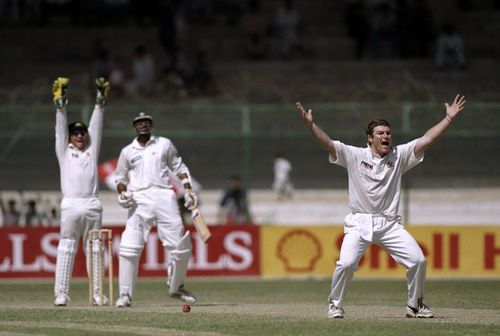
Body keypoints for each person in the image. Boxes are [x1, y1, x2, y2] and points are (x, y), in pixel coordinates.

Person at [296, 94, 466, 319]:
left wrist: (448, 120)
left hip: (389, 224)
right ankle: (335, 305)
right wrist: (311, 126)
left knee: (418, 261)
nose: (386, 136)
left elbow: (426, 139)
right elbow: (328, 144)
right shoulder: (355, 155)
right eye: (380, 133)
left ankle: (415, 305)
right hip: (359, 222)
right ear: (369, 139)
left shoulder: (399, 155)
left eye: (388, 133)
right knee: (345, 264)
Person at [114, 111, 199, 308]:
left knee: (179, 244)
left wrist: (188, 190)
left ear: (151, 125)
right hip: (139, 198)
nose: (143, 125)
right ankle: (125, 295)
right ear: (134, 127)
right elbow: (120, 178)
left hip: (163, 195)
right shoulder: (127, 151)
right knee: (129, 246)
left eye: (146, 122)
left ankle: (176, 287)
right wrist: (122, 193)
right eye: (139, 123)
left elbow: (180, 167)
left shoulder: (164, 144)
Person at [52, 76, 110, 306]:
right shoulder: (64, 151)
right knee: (67, 247)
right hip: (71, 203)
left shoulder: (91, 150)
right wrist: (60, 104)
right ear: (70, 137)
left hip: (93, 203)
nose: (79, 135)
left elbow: (97, 127)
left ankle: (97, 294)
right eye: (75, 133)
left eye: (82, 133)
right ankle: (61, 294)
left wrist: (100, 103)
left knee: (96, 249)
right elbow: (59, 130)